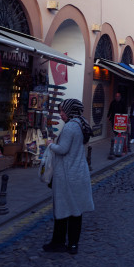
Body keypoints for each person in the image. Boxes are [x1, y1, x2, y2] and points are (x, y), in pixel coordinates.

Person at [43, 98, 94, 255]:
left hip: (66, 174)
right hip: (78, 173)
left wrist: (50, 144)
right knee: (75, 210)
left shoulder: (71, 127)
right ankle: (73, 244)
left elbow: (63, 149)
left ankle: (58, 242)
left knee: (62, 209)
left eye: (63, 111)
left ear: (70, 111)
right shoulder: (81, 123)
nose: (61, 114)